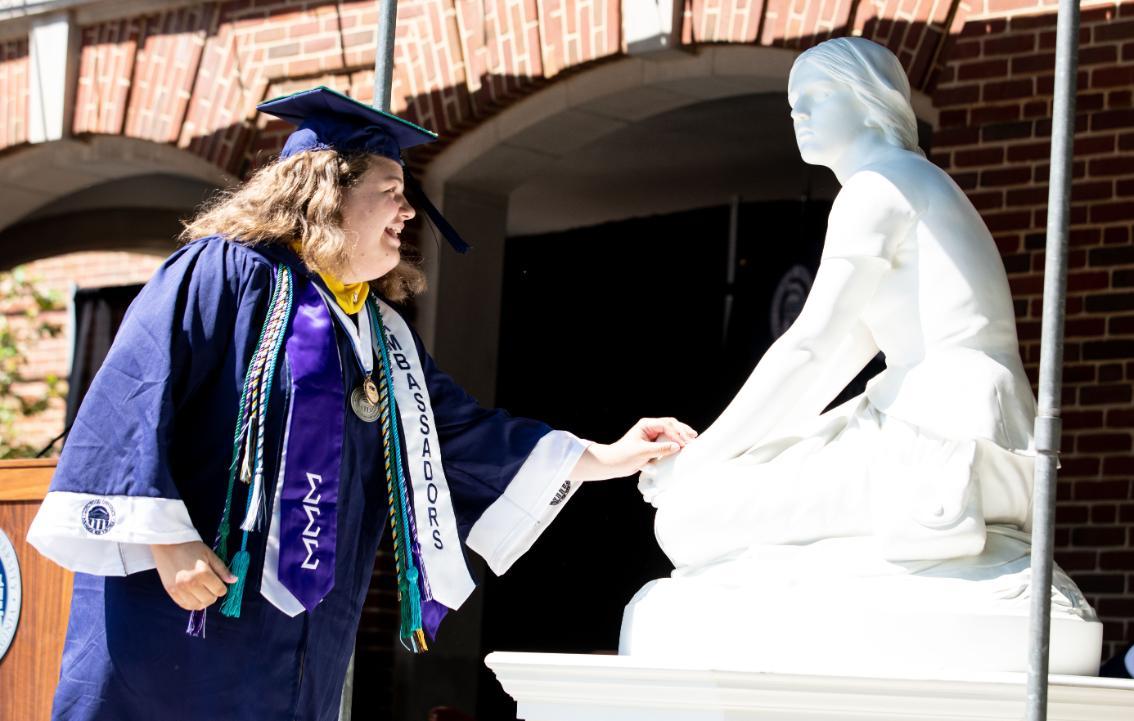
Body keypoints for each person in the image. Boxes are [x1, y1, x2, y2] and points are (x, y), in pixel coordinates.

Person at [28, 86, 696, 721]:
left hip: (300, 641)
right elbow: (132, 396)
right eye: (392, 193)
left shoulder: (382, 337)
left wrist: (606, 456)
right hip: (187, 618)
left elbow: (461, 435)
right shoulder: (226, 274)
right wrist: (168, 540)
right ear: (325, 193)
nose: (409, 213)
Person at [640, 37, 1037, 570]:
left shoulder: (877, 187)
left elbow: (809, 346)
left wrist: (699, 461)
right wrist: (734, 455)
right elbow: (831, 363)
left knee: (686, 518)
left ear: (873, 100)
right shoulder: (913, 182)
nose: (799, 112)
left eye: (818, 94)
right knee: (711, 501)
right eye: (792, 102)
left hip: (940, 434)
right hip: (958, 419)